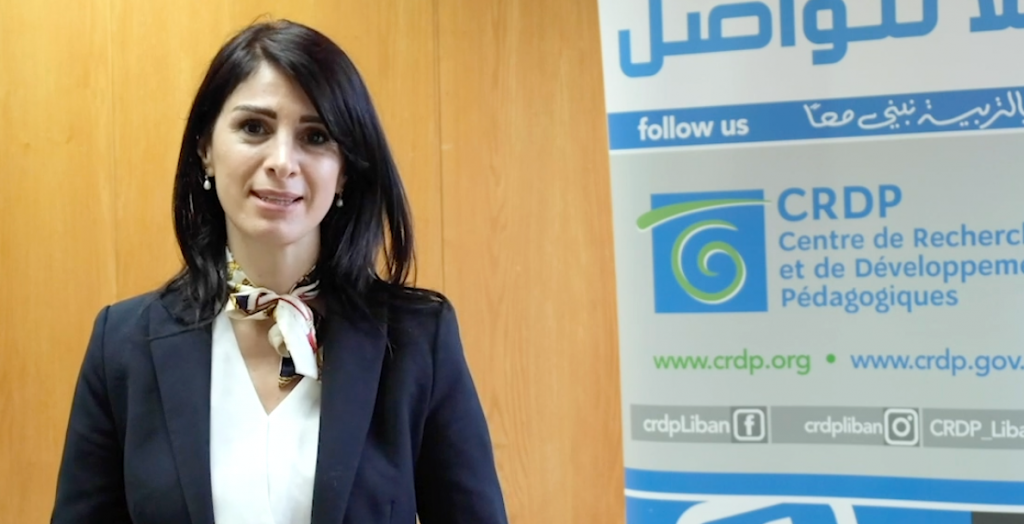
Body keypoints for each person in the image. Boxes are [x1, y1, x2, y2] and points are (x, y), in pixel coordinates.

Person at [50, 19, 507, 524]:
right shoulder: (123, 345)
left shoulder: (419, 339)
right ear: (205, 148)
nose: (282, 161)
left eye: (315, 136)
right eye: (254, 128)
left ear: (345, 170)